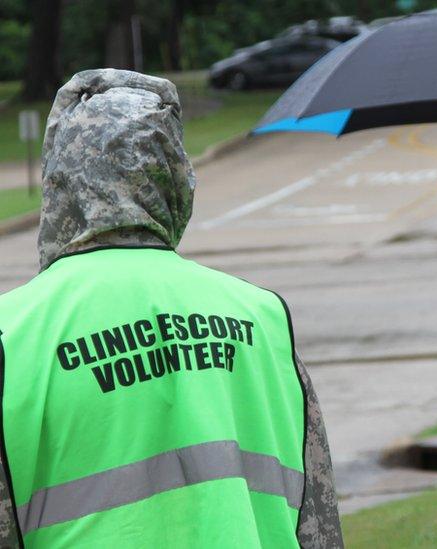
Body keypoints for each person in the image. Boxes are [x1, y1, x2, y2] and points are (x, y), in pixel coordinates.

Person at [0, 69, 343, 548]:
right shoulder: (262, 317)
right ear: (176, 178)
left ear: (62, 184)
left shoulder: (13, 335)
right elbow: (317, 520)